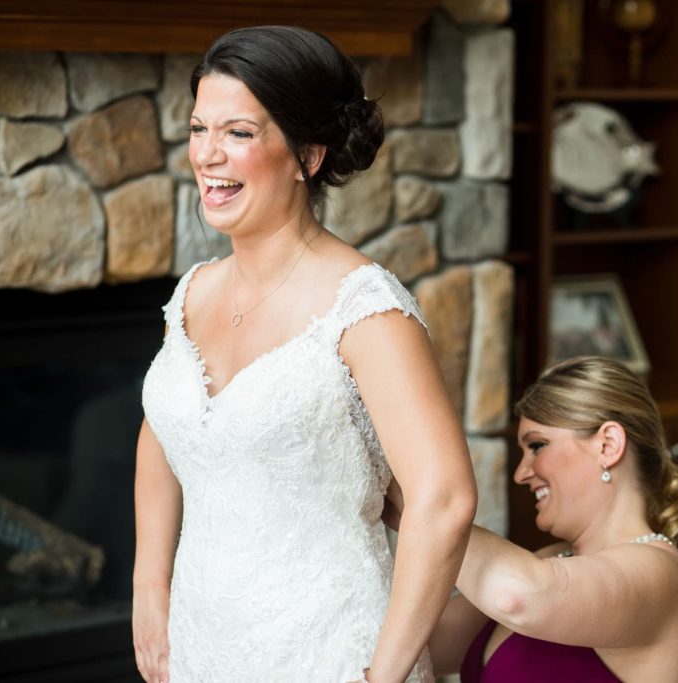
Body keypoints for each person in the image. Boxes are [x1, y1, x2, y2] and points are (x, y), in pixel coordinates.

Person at [132, 25, 477, 683]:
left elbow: (446, 498)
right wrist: (149, 588)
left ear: (307, 156)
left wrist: (384, 674)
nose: (207, 154)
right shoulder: (192, 294)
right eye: (199, 128)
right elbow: (163, 435)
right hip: (203, 647)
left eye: (238, 132)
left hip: (330, 652)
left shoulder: (365, 309)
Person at [420, 356, 678, 682]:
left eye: (538, 446)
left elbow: (516, 596)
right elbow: (430, 643)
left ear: (608, 445)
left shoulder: (664, 576)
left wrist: (435, 505)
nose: (521, 473)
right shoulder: (551, 559)